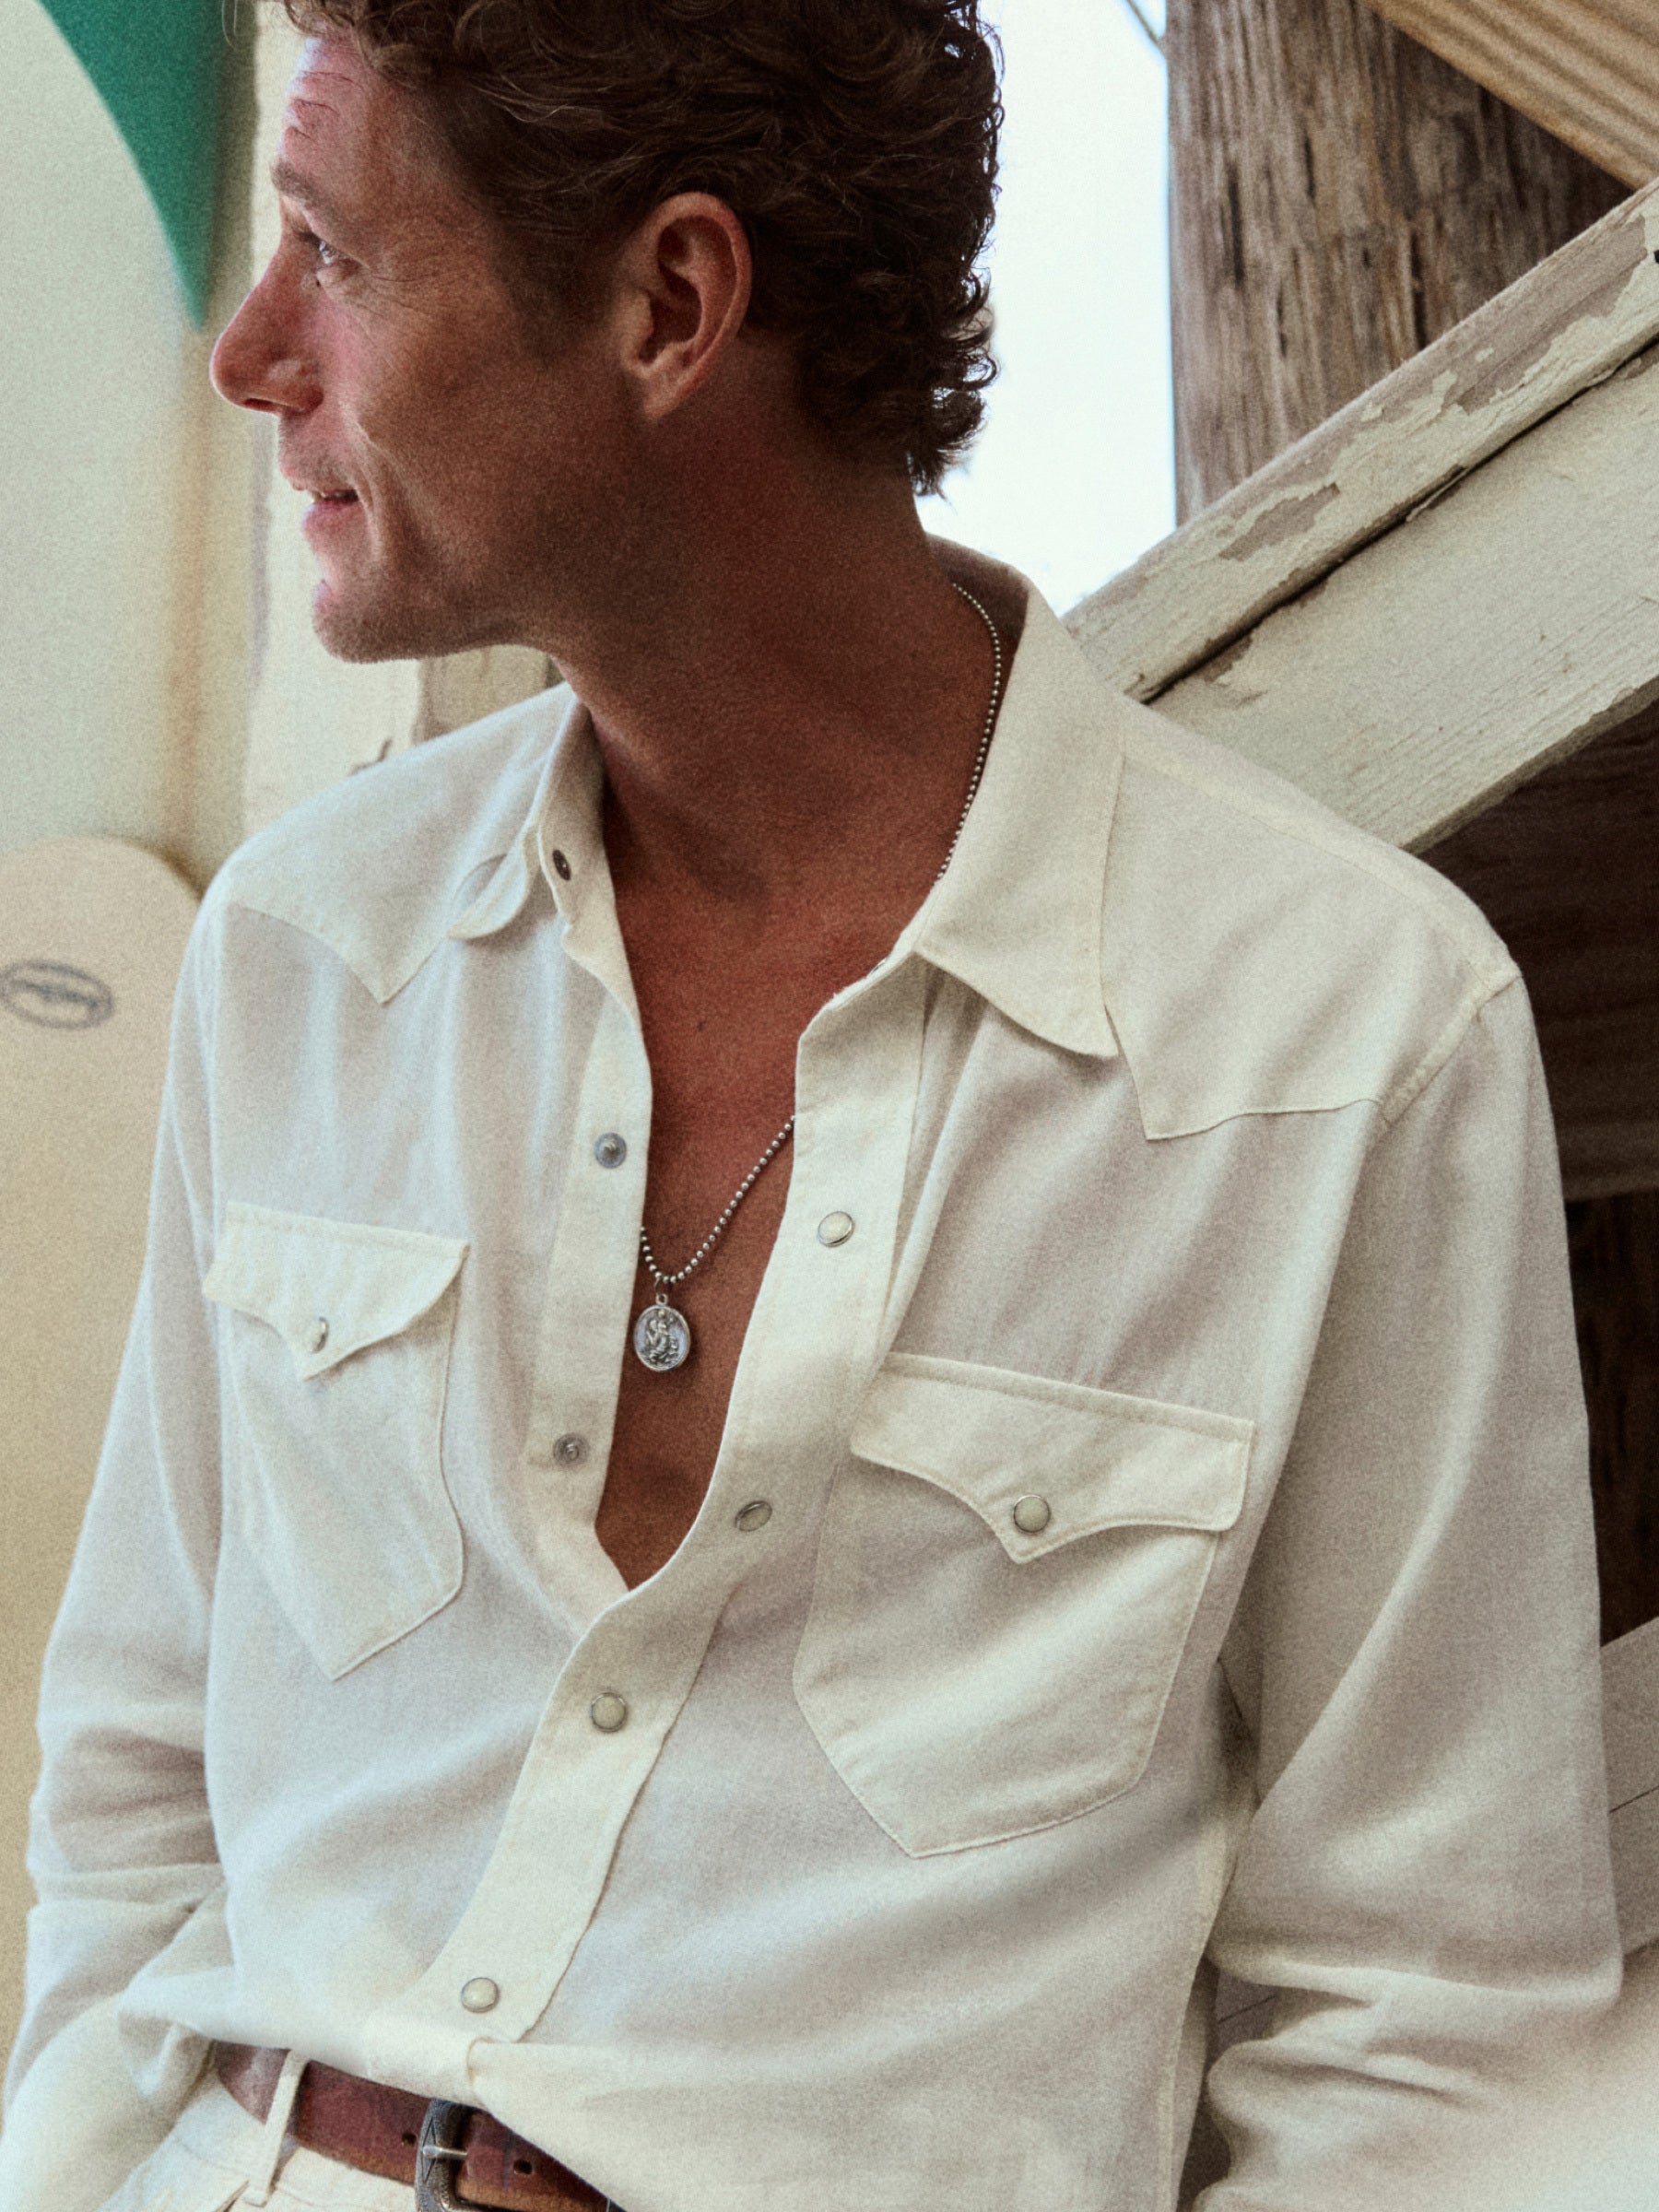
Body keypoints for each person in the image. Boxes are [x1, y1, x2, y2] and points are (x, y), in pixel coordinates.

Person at [0, 2, 1622, 2208]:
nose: (254, 354)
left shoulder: (1339, 1044)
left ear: (671, 303)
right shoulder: (309, 952)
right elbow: (132, 1787)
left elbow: (1427, 2024)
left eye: (340, 256)